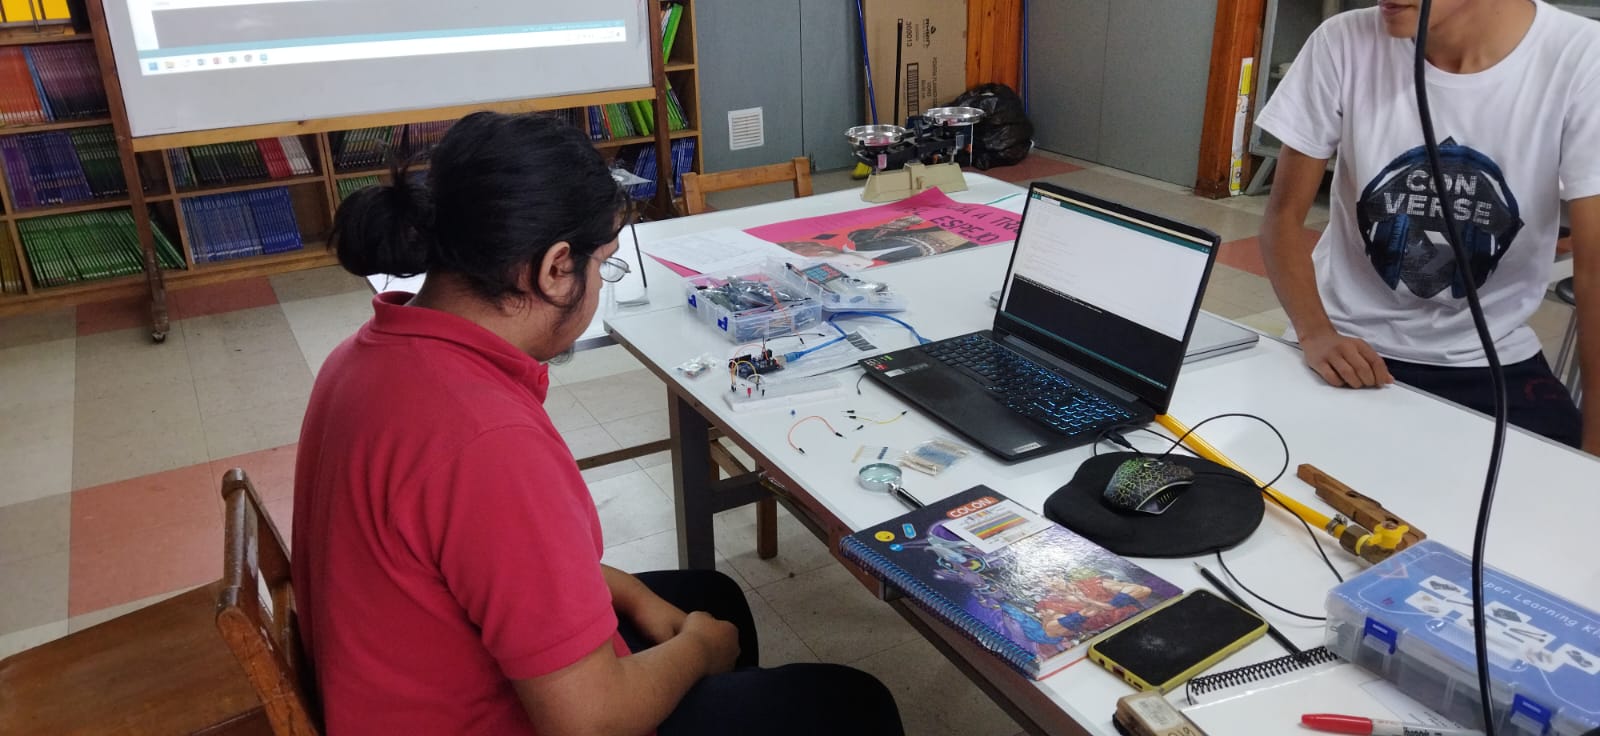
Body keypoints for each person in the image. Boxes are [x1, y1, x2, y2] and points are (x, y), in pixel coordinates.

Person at [292, 111, 904, 736]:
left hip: (404, 684)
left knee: (713, 598)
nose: (600, 279)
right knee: (855, 705)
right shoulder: (487, 442)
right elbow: (589, 721)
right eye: (605, 263)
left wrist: (635, 597)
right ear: (556, 268)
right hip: (500, 717)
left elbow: (488, 567)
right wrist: (698, 651)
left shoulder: (366, 356)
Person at [1255, 0, 1599, 453]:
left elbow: (1594, 274)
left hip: (1491, 357)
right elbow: (1281, 219)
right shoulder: (1342, 41)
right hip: (1344, 340)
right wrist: (1315, 332)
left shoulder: (1581, 58)